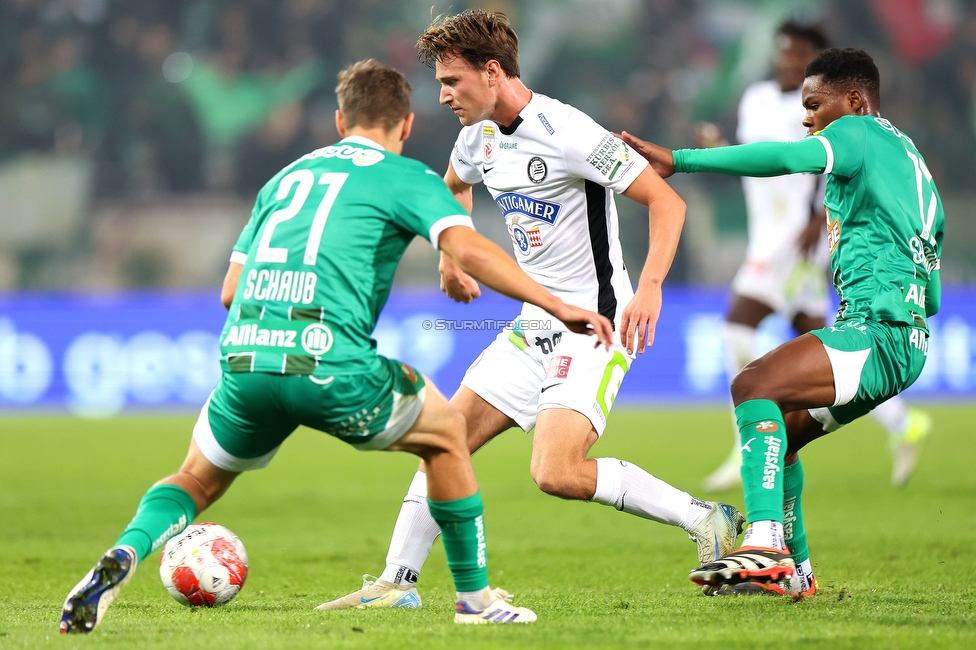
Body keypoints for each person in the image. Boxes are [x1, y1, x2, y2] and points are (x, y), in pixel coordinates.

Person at [58, 59, 621, 633]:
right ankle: (475, 600)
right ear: (405, 125)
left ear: (338, 120)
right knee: (448, 433)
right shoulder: (407, 178)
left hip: (246, 361)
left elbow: (231, 291)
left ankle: (127, 550)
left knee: (195, 480)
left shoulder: (285, 180)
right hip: (328, 362)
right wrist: (557, 303)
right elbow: (469, 249)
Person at [318, 10, 743, 612]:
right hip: (531, 327)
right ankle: (396, 584)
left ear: (492, 72)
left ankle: (707, 520)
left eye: (453, 81)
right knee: (443, 440)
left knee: (557, 472)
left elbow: (666, 201)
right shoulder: (478, 137)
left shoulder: (568, 131)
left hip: (595, 322)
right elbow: (454, 185)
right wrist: (450, 257)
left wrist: (650, 287)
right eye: (440, 84)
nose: (443, 97)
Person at [621, 47, 943, 596]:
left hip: (875, 331)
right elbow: (931, 276)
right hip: (906, 336)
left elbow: (787, 158)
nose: (808, 117)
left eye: (816, 104)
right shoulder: (908, 158)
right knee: (782, 436)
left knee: (752, 385)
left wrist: (684, 159)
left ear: (855, 100)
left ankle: (765, 542)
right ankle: (797, 571)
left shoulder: (858, 132)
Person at [701, 22, 931, 493]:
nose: (788, 61)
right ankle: (900, 423)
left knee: (740, 334)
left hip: (796, 242)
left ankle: (750, 430)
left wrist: (814, 217)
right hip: (764, 235)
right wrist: (719, 151)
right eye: (783, 52)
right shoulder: (758, 99)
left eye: (799, 54)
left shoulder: (840, 119)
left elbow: (798, 161)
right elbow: (756, 157)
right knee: (822, 344)